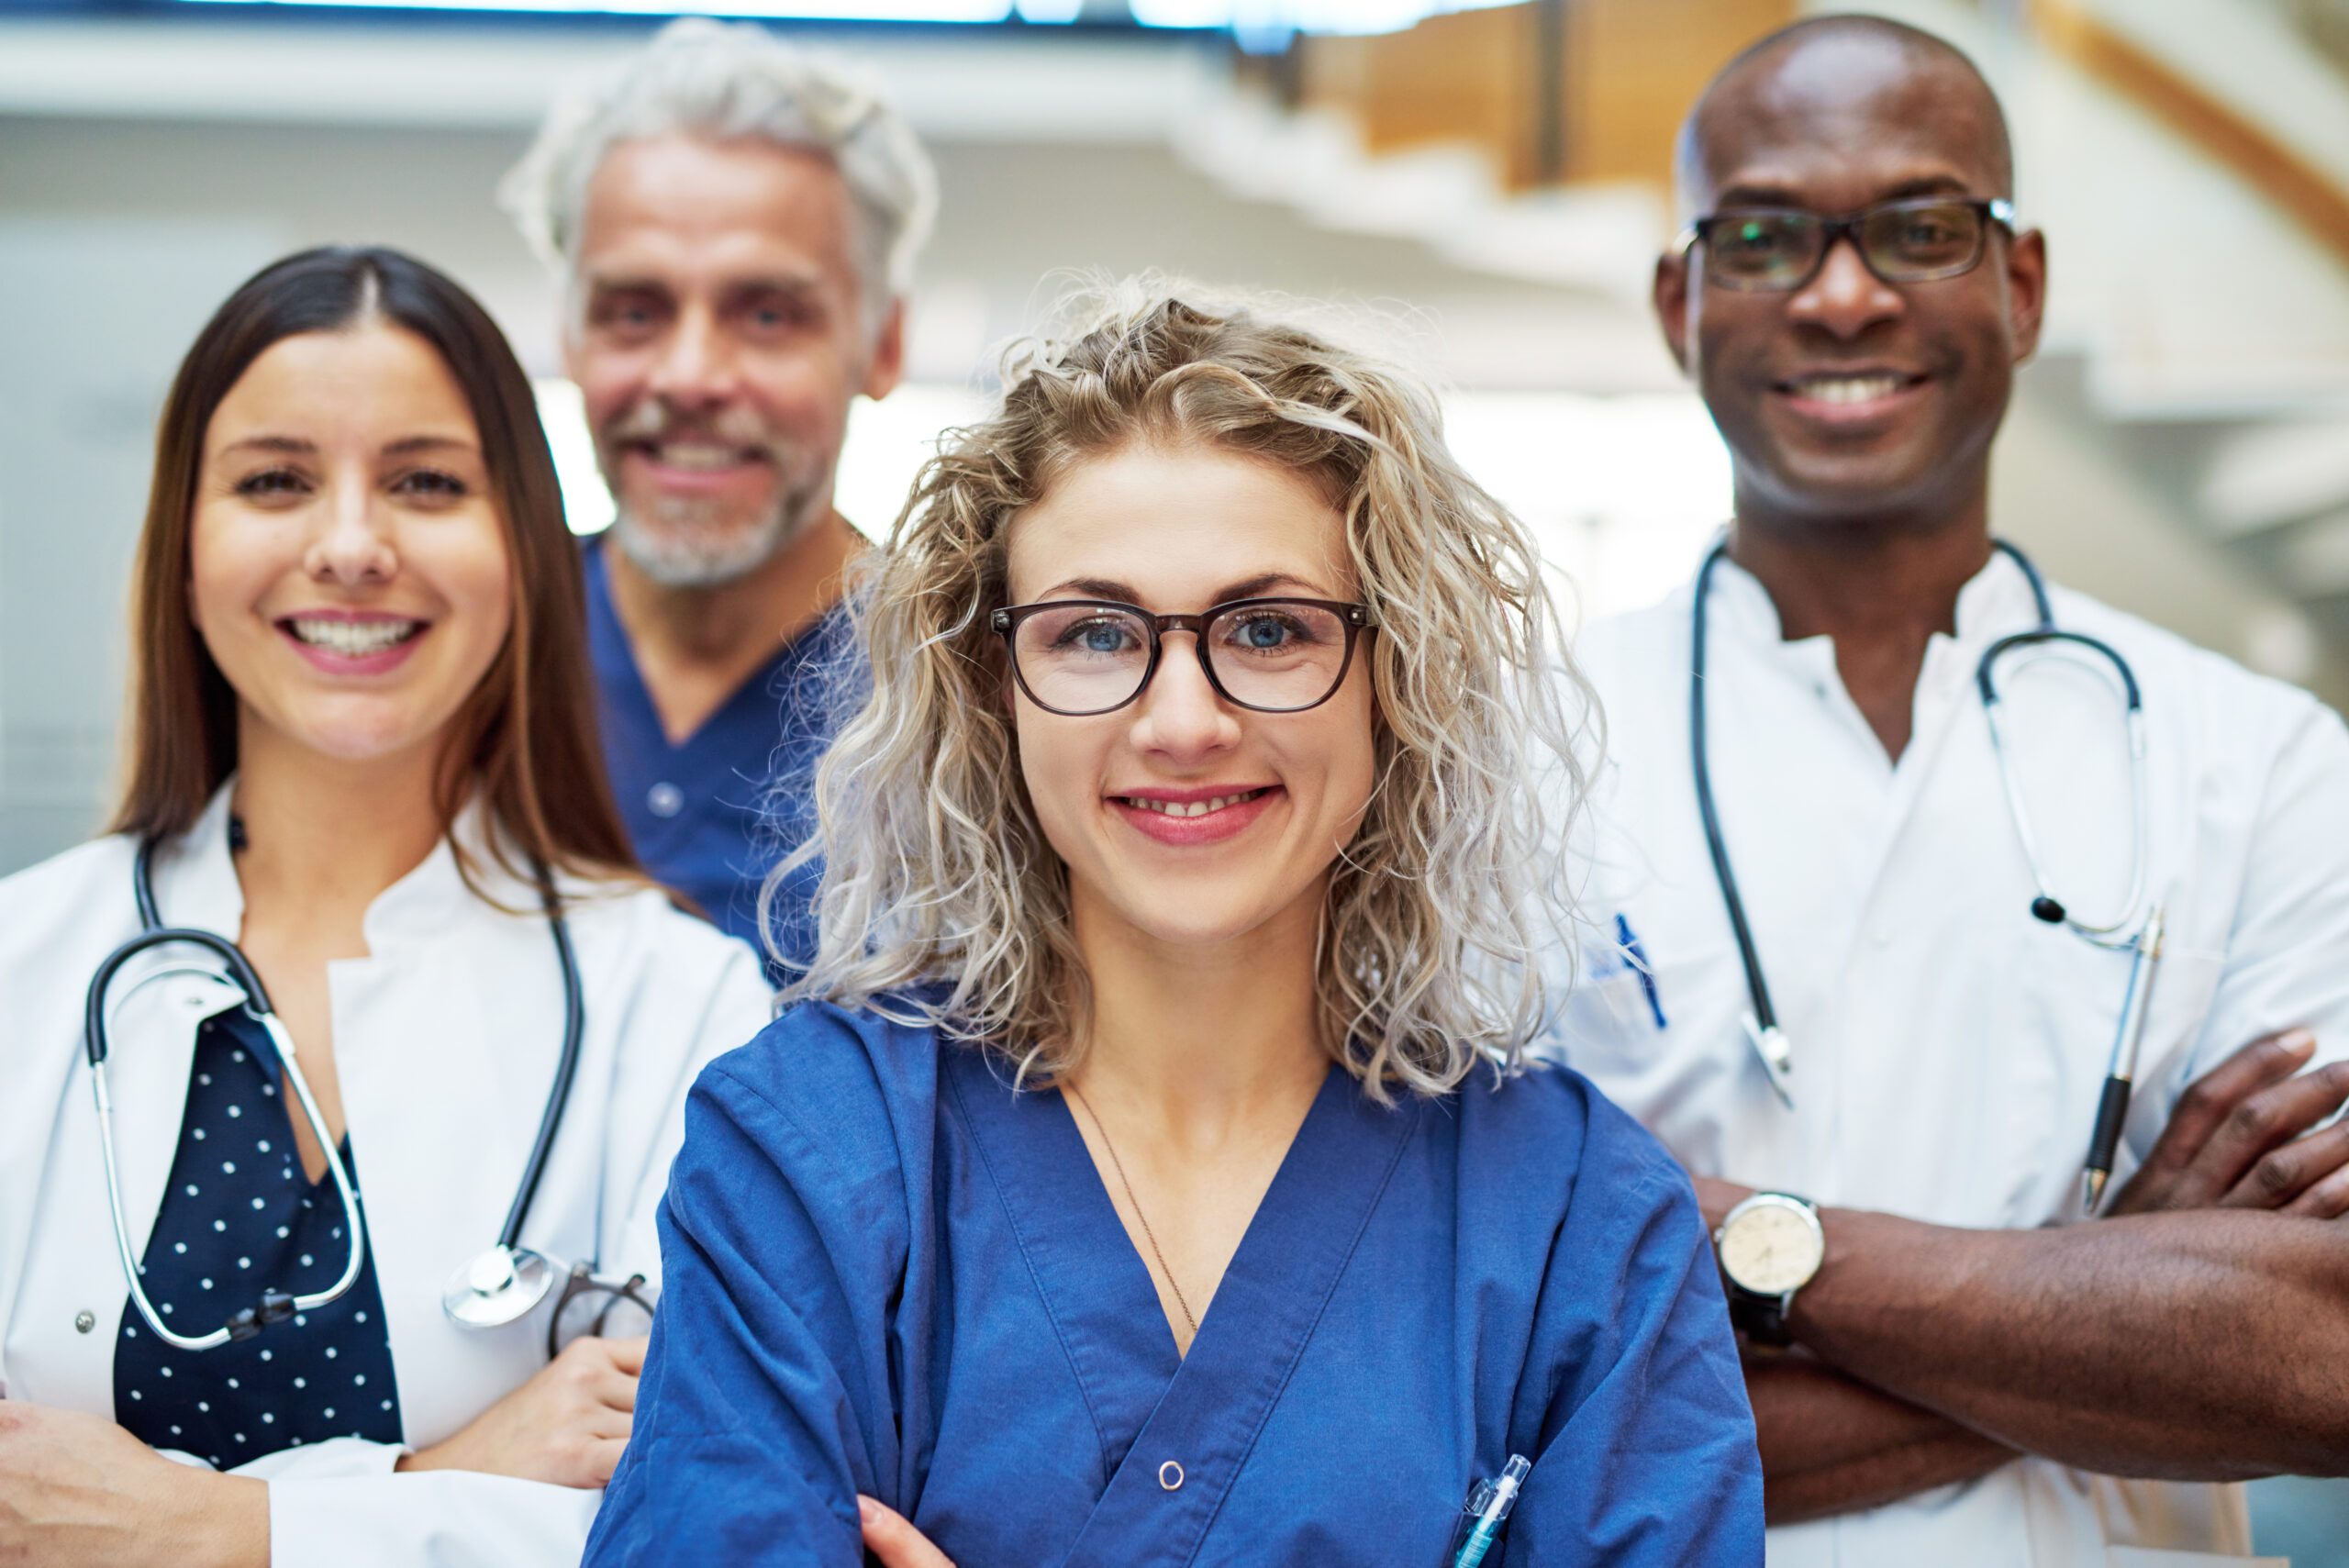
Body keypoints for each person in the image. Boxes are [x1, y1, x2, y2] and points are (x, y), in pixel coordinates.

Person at [582, 284, 1765, 1567]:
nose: (1185, 720)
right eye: (1095, 633)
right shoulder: (813, 1155)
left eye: (1268, 629)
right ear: (996, 688)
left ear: (1394, 674)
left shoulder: (1577, 1219)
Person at [1544, 17, 2349, 1567]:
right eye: (1766, 234)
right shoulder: (1493, 756)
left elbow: (2320, 1356)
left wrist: (1728, 1234)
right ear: (1680, 298)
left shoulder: (2258, 760)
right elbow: (1491, 1395)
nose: (1846, 294)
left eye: (1919, 227)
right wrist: (2111, 1285)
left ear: (2021, 285)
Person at [0, 247, 773, 1568]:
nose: (351, 545)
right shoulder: (21, 963)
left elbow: (693, 1521)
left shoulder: (685, 1007)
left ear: (523, 544)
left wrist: (212, 1530)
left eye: (426, 481)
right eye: (274, 480)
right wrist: (443, 1481)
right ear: (185, 544)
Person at [500, 17, 935, 966]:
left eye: (768, 314)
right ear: (569, 339)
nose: (690, 375)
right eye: (634, 312)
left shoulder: (971, 703)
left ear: (884, 344)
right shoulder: (471, 663)